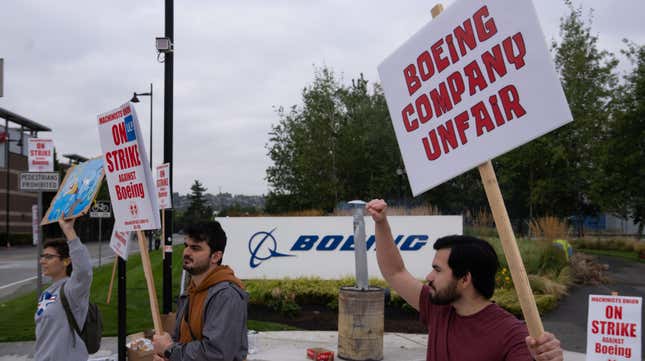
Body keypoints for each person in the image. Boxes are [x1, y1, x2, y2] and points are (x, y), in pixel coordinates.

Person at [366, 199, 564, 361]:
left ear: (465, 279)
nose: (429, 277)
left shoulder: (513, 336)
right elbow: (395, 272)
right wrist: (381, 223)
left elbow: (540, 355)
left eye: (437, 270)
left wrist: (547, 356)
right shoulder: (440, 308)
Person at [152, 221, 248, 361]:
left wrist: (169, 350)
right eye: (186, 246)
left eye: (195, 248)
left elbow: (216, 353)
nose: (186, 252)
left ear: (216, 256)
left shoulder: (226, 295)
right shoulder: (191, 290)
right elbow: (180, 340)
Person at [35, 218, 92, 361]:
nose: (42, 261)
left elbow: (84, 271)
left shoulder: (72, 290)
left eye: (49, 257)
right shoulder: (45, 293)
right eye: (43, 256)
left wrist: (69, 231)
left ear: (66, 261)